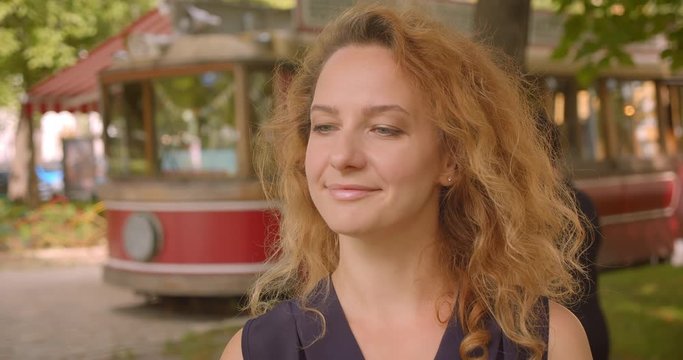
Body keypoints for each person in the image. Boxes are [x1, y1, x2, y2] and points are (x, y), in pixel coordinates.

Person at [222, 4, 592, 360]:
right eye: (325, 127)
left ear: (453, 158)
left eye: (384, 129)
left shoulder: (544, 341)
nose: (342, 156)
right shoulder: (257, 351)